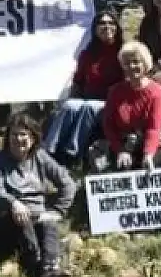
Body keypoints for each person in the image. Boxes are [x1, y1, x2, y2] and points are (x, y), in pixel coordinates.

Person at [0, 113, 77, 277]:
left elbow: (68, 183)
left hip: (38, 215)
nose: (19, 139)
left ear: (33, 138)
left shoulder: (41, 157)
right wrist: (14, 203)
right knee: (23, 221)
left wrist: (58, 211)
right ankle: (37, 268)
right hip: (8, 216)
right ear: (8, 137)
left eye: (24, 135)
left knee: (49, 223)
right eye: (14, 134)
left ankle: (50, 269)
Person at [43, 12, 123, 165]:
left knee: (88, 107)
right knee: (69, 105)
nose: (107, 27)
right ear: (95, 29)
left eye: (111, 23)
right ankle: (48, 150)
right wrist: (74, 96)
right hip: (88, 98)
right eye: (102, 23)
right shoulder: (87, 54)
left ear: (117, 27)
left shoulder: (123, 51)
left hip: (113, 102)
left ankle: (72, 153)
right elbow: (78, 81)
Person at [92, 42, 161, 172]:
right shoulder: (115, 91)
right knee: (122, 166)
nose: (131, 66)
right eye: (127, 63)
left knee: (148, 166)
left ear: (145, 63)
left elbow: (154, 128)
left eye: (136, 62)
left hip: (156, 145)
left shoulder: (157, 92)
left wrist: (148, 154)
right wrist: (120, 150)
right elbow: (108, 125)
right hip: (124, 144)